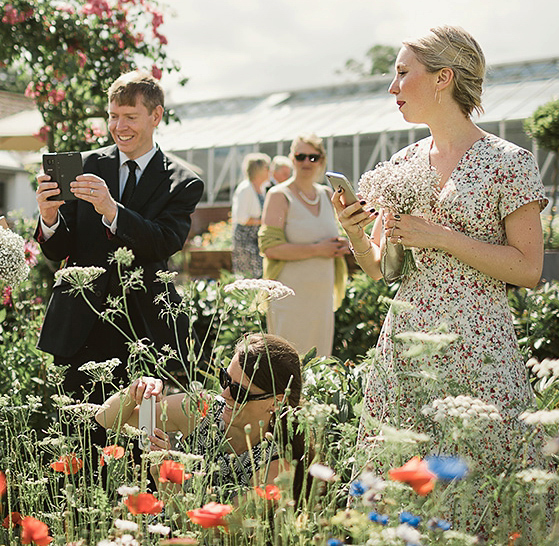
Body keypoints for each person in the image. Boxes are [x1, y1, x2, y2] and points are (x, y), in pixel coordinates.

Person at [333, 26, 547, 538]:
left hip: (479, 347)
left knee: (479, 486)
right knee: (398, 481)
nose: (393, 87)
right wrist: (356, 234)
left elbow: (529, 269)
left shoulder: (508, 162)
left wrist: (440, 236)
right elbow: (385, 269)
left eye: (403, 73)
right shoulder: (403, 163)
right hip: (404, 347)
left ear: (444, 78)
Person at [36, 70, 204, 403]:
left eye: (130, 117)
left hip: (141, 329)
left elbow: (164, 242)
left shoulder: (184, 181)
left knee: (137, 439)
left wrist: (112, 211)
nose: (119, 126)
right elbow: (58, 251)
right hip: (78, 327)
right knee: (77, 438)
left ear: (156, 116)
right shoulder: (83, 165)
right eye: (113, 116)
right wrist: (48, 216)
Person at [94, 333, 308, 499]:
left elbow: (217, 534)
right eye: (225, 379)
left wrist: (167, 481)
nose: (224, 394)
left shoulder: (277, 470)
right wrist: (137, 390)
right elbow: (106, 419)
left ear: (277, 401)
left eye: (238, 391)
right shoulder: (202, 409)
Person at [258, 134, 350, 358]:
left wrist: (342, 245)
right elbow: (269, 248)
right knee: (288, 365)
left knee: (319, 364)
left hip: (321, 297)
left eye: (313, 157)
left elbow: (330, 236)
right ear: (292, 159)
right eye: (300, 156)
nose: (306, 162)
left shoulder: (328, 194)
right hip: (289, 299)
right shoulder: (279, 195)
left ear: (322, 160)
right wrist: (318, 249)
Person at [230, 152, 271, 278]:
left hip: (256, 239)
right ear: (258, 169)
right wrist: (264, 220)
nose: (270, 171)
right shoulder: (245, 188)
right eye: (267, 168)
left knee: (260, 275)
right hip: (245, 239)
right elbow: (242, 218)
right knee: (250, 276)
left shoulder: (262, 189)